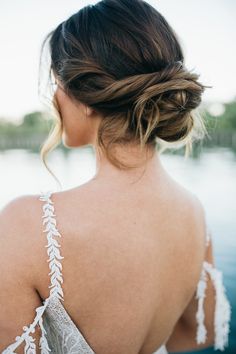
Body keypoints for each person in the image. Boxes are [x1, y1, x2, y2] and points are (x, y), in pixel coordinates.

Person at [0, 0, 231, 353]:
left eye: (55, 83)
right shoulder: (195, 213)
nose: (54, 99)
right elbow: (196, 336)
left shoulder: (27, 225)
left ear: (86, 95)